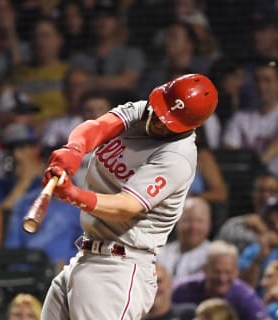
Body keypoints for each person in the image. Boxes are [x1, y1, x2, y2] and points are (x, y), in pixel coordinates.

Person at [39, 73, 219, 319]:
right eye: (160, 109)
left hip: (118, 268)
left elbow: (127, 205)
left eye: (169, 121)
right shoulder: (144, 110)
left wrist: (74, 194)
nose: (158, 120)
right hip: (87, 256)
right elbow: (98, 126)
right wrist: (74, 148)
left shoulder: (177, 157)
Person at [223, 58, 278, 182]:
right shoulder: (240, 117)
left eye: (267, 81)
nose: (261, 86)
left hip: (277, 182)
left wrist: (259, 164)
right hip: (243, 182)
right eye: (257, 80)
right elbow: (229, 151)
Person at [172, 241, 267, 320]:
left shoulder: (246, 297)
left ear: (236, 272)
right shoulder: (183, 289)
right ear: (205, 269)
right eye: (217, 272)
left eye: (228, 272)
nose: (222, 278)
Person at [217, 173, 278, 253]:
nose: (266, 195)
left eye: (272, 191)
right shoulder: (235, 225)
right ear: (253, 194)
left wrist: (263, 231)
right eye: (261, 191)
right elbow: (215, 254)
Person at [157, 197, 212, 279]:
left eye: (199, 221)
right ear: (177, 222)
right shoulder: (160, 253)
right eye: (188, 220)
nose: (193, 227)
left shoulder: (213, 258)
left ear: (209, 224)